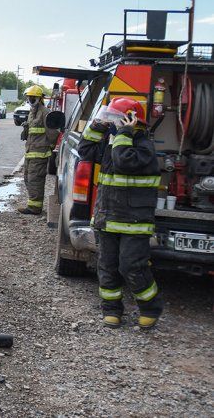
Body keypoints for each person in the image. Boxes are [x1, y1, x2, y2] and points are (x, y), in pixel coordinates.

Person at [76, 98, 162, 329]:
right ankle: (111, 310)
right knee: (107, 266)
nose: (111, 123)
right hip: (107, 218)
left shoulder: (143, 146)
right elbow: (85, 150)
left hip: (134, 222)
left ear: (130, 121)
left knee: (131, 266)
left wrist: (123, 134)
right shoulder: (114, 143)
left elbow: (124, 162)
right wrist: (97, 126)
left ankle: (150, 308)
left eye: (115, 119)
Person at [18, 85, 55, 214]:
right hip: (30, 152)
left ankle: (34, 208)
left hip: (40, 154)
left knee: (35, 180)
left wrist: (50, 147)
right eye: (29, 97)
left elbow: (52, 133)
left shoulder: (45, 112)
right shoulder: (32, 112)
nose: (30, 100)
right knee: (28, 179)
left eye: (33, 98)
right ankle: (33, 204)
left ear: (39, 98)